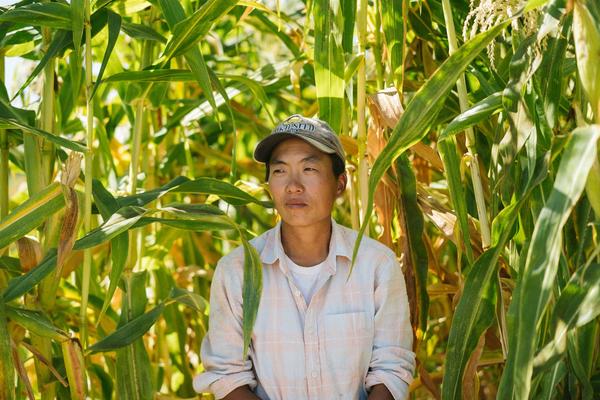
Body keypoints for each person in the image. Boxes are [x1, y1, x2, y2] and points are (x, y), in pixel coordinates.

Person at [193, 115, 415, 399]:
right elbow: (227, 377)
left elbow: (392, 369)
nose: (293, 186)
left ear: (340, 183)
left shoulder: (376, 266)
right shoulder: (237, 271)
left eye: (309, 168)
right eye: (280, 171)